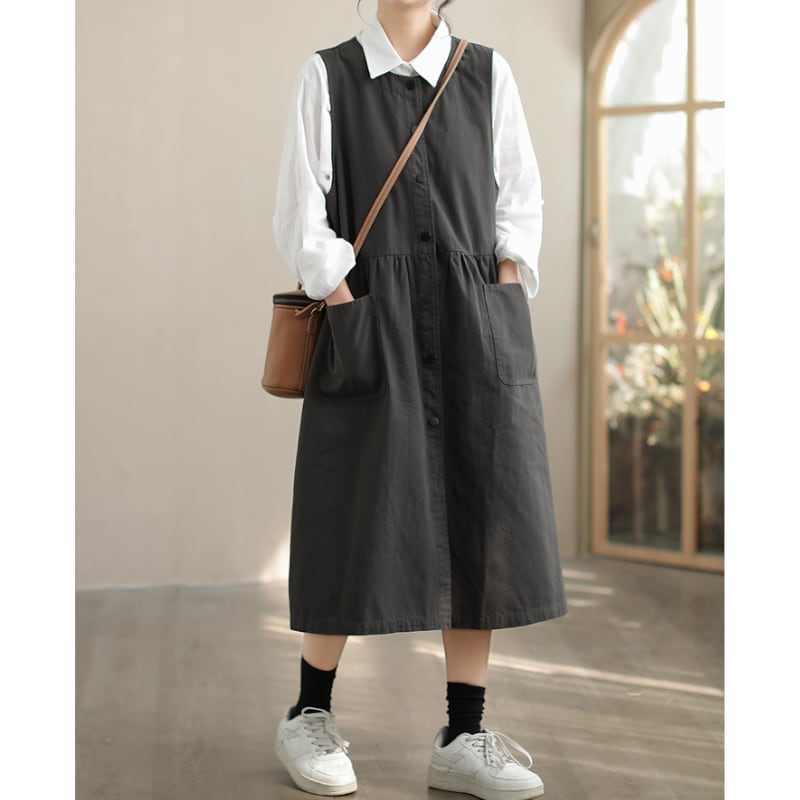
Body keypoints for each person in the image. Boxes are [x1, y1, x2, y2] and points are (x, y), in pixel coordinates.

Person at [271, 1, 568, 797]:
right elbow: (301, 213)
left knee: (480, 510)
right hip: (372, 316)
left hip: (476, 319)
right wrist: (346, 305)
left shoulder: (488, 73)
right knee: (350, 509)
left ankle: (464, 733)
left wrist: (504, 288)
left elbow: (520, 201)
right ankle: (307, 714)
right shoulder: (328, 75)